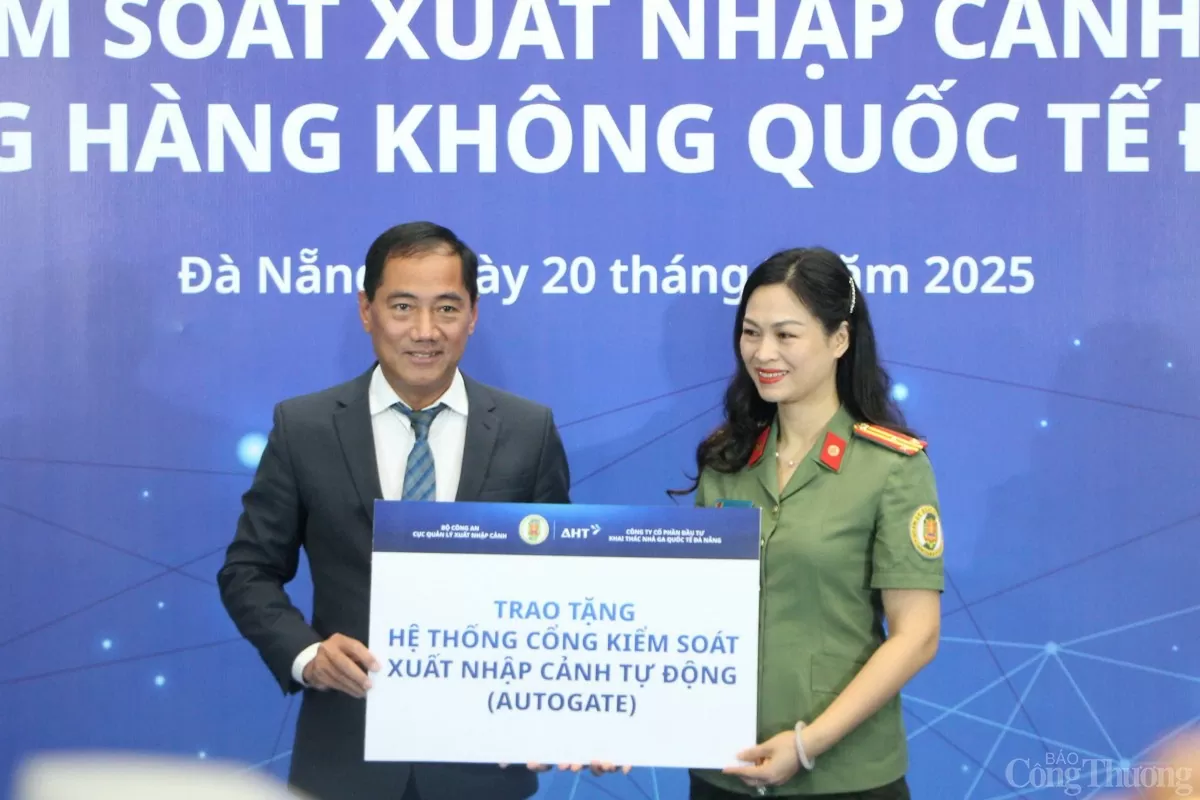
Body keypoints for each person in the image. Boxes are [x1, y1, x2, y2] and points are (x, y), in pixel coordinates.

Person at [217, 221, 573, 800]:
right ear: (367, 310)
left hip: (483, 764)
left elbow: (558, 585)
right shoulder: (304, 427)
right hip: (344, 756)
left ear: (473, 314)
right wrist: (307, 653)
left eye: (447, 308)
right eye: (403, 306)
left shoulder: (527, 430)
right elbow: (247, 570)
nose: (425, 331)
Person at [671, 247, 943, 799]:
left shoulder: (892, 467)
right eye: (751, 333)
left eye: (786, 335)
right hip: (724, 772)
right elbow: (689, 619)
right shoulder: (726, 460)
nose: (763, 352)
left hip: (846, 778)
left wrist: (806, 744)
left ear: (839, 339)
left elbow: (917, 635)